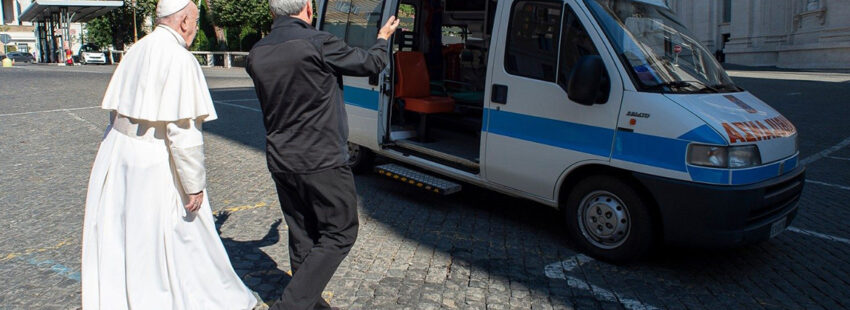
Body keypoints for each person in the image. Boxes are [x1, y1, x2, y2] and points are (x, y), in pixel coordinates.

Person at [81, 0, 259, 309]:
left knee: (125, 233)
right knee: (175, 234)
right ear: (186, 23)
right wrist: (194, 185)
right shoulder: (179, 58)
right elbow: (183, 133)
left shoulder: (137, 48)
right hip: (153, 159)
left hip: (118, 150)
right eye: (195, 18)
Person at [245, 0, 399, 309]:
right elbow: (370, 63)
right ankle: (292, 304)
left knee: (302, 234)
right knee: (341, 231)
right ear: (307, 8)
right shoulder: (317, 43)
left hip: (281, 158)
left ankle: (309, 302)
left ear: (273, 12)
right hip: (322, 159)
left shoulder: (256, 53)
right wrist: (382, 39)